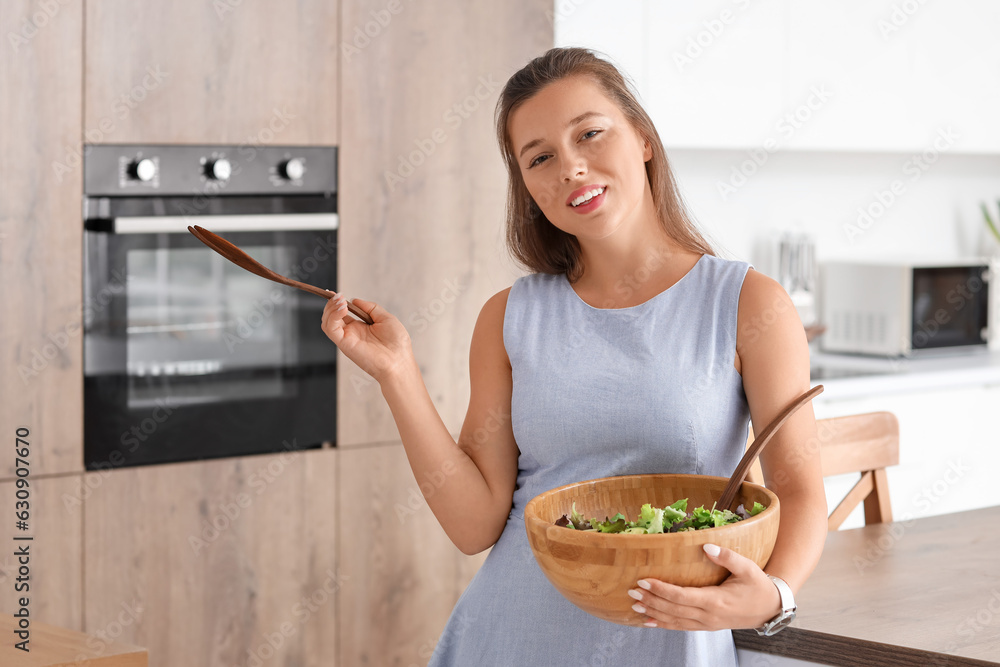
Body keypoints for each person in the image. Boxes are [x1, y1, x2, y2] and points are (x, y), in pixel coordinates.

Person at [321, 47, 828, 666]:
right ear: (527, 187)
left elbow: (799, 490)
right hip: (509, 637)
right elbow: (474, 524)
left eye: (590, 133)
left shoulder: (750, 303)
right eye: (540, 157)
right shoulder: (508, 317)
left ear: (642, 138)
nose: (571, 168)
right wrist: (397, 374)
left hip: (669, 645)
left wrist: (775, 596)